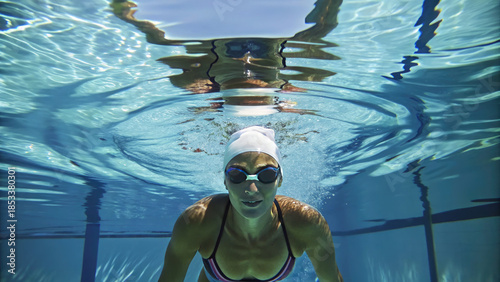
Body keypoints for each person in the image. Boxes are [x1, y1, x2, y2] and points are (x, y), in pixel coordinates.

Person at [159, 126, 343, 282]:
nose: (252, 189)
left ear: (280, 179)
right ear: (225, 181)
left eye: (267, 174)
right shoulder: (197, 222)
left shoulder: (307, 223)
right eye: (238, 175)